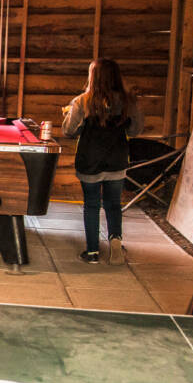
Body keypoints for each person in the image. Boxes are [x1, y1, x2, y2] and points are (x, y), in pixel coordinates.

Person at [62, 58, 142, 265]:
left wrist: (69, 115)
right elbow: (135, 130)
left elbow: (69, 131)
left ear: (93, 77)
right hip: (117, 160)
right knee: (114, 204)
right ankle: (115, 240)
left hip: (90, 162)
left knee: (91, 205)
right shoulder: (128, 101)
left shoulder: (82, 101)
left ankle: (92, 252)